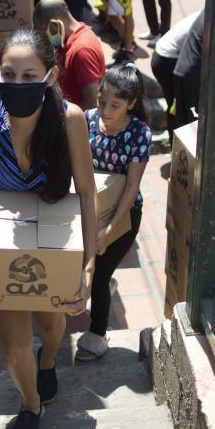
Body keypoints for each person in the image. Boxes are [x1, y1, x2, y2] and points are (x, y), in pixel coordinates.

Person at [0, 29, 97, 429]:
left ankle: (50, 359)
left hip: (53, 244)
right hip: (2, 249)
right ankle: (31, 404)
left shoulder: (69, 120)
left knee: (52, 325)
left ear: (51, 76)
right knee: (12, 345)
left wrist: (89, 263)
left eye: (29, 75)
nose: (17, 84)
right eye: (9, 74)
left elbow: (88, 193)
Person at [75, 64, 151, 361]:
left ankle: (97, 335)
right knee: (89, 266)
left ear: (131, 103)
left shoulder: (139, 133)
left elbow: (132, 186)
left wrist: (109, 231)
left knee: (100, 272)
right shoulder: (87, 120)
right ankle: (103, 287)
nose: (105, 109)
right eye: (101, 101)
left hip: (124, 216)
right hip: (91, 209)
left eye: (115, 105)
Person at [34, 0, 106, 109]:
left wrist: (62, 117)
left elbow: (92, 102)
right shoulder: (72, 37)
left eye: (43, 32)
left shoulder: (82, 51)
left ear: (54, 25)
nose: (44, 38)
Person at [153, 11, 202, 130]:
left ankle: (174, 141)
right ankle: (176, 141)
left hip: (161, 55)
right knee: (178, 107)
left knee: (175, 107)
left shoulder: (202, 14)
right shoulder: (207, 21)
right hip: (167, 60)